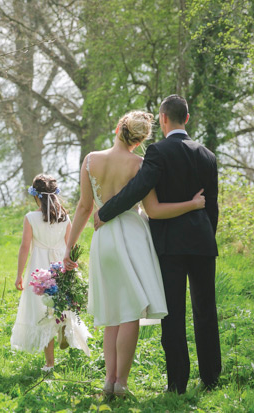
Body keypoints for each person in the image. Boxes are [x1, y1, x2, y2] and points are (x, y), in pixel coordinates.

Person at [63, 110, 206, 396]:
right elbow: (151, 210)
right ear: (140, 139)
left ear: (118, 128)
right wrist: (192, 205)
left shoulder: (91, 160)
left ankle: (109, 381)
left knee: (113, 312)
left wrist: (69, 249)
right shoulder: (141, 165)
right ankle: (121, 383)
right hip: (131, 236)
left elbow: (83, 208)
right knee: (129, 313)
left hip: (103, 240)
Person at [94, 95, 221, 394]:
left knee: (173, 314)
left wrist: (104, 212)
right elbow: (212, 207)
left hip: (170, 246)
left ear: (163, 119)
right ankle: (211, 377)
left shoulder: (158, 152)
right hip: (203, 244)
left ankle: (177, 383)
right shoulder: (208, 155)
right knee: (206, 310)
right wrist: (206, 236)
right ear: (186, 119)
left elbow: (138, 188)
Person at [11, 174, 91, 371]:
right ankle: (63, 325)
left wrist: (19, 274)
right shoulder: (65, 218)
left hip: (40, 267)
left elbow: (25, 247)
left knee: (43, 312)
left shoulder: (31, 218)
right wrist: (73, 264)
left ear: (36, 196)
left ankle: (49, 363)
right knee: (62, 304)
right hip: (61, 265)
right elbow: (71, 244)